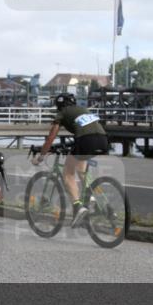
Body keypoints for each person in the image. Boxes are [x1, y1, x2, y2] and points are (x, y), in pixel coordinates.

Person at [33, 93, 109, 222]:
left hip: (85, 140)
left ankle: (77, 207)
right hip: (103, 140)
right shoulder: (83, 110)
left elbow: (51, 136)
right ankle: (100, 204)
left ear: (59, 105)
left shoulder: (62, 112)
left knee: (67, 174)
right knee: (81, 170)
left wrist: (41, 156)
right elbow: (87, 128)